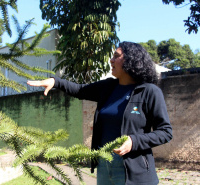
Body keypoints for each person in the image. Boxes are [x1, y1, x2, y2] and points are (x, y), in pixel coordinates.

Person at [27, 41, 173, 185]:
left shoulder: (149, 92)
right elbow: (79, 90)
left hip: (134, 171)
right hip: (104, 166)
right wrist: (55, 82)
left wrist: (134, 141)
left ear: (131, 61)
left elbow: (165, 132)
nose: (111, 60)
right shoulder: (108, 87)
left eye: (116, 56)